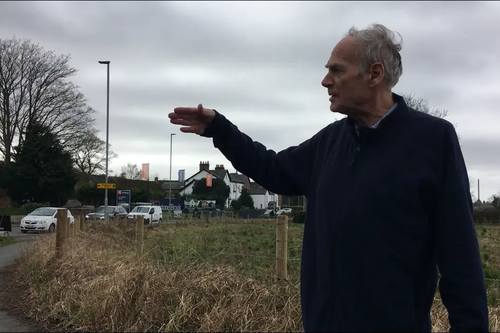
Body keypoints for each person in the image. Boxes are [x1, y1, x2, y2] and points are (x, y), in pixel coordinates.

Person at [168, 23, 489, 332]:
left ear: (375, 74)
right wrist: (219, 130)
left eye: (336, 70)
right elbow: (274, 170)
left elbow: (459, 254)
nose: (325, 81)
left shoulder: (433, 140)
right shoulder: (330, 141)